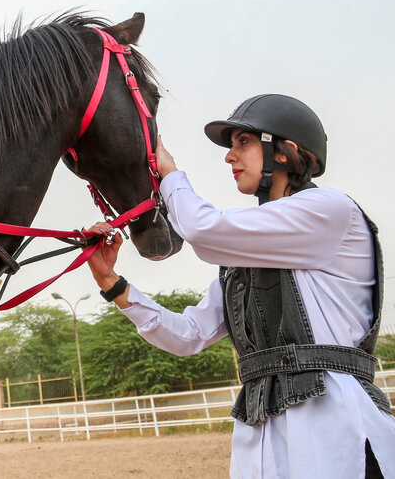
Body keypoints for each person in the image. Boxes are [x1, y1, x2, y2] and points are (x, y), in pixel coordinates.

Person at [85, 94, 394, 478]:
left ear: (285, 152)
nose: (230, 156)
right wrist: (113, 284)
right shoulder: (246, 251)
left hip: (334, 432)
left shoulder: (331, 210)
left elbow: (201, 229)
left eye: (243, 142)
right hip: (259, 439)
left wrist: (170, 175)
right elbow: (188, 335)